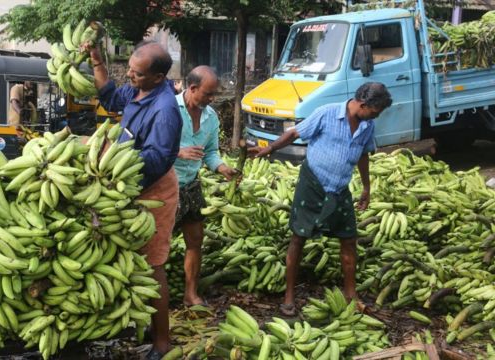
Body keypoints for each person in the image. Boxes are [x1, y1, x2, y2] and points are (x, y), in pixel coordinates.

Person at [249, 82, 392, 316]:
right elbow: (295, 132)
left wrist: (366, 187)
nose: (377, 116)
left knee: (348, 239)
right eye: (375, 111)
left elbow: (364, 154)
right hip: (313, 184)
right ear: (364, 104)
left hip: (340, 188)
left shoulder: (367, 125)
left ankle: (350, 293)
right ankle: (289, 296)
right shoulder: (326, 114)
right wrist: (271, 148)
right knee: (299, 238)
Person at [89, 41, 182, 359]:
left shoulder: (166, 110)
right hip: (124, 182)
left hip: (152, 189)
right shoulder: (139, 90)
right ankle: (131, 325)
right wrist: (98, 62)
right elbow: (112, 98)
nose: (130, 75)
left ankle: (161, 343)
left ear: (157, 78)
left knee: (153, 264)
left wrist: (115, 170)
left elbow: (157, 160)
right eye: (129, 68)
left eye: (137, 73)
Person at [173, 66, 237, 307]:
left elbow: (210, 152)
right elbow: (149, 147)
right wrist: (178, 152)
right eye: (208, 94)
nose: (212, 100)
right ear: (192, 88)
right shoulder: (169, 110)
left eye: (214, 95)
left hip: (190, 185)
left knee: (195, 239)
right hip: (165, 185)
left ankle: (190, 293)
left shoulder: (211, 117)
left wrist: (222, 168)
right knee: (158, 246)